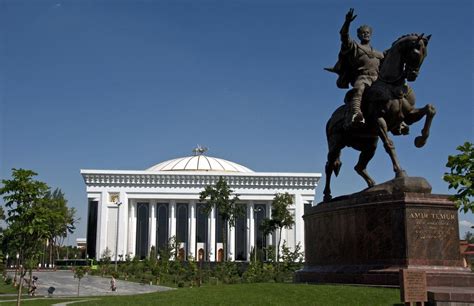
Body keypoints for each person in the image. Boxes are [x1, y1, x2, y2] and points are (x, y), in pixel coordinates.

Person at [325, 8, 384, 127]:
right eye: (362, 33)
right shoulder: (355, 47)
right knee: (359, 88)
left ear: (371, 34)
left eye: (367, 32)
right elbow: (344, 37)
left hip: (377, 80)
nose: (365, 34)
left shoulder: (379, 54)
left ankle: (400, 120)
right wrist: (347, 22)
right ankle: (356, 113)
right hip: (363, 77)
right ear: (358, 35)